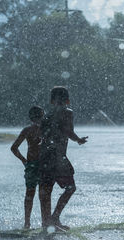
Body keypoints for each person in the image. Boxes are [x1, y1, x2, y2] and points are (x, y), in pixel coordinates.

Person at [39, 86, 88, 231]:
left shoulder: (46, 115)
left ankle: (46, 222)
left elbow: (41, 135)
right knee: (70, 187)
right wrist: (78, 139)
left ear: (51, 100)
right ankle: (55, 218)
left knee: (46, 191)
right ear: (68, 100)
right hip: (58, 157)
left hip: (45, 156)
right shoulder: (68, 112)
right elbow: (67, 130)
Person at [11, 105, 44, 229]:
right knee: (42, 195)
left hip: (32, 165)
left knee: (30, 194)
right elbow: (13, 148)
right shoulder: (44, 130)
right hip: (41, 166)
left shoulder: (28, 130)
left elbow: (14, 148)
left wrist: (24, 161)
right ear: (42, 116)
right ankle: (43, 222)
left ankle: (27, 223)